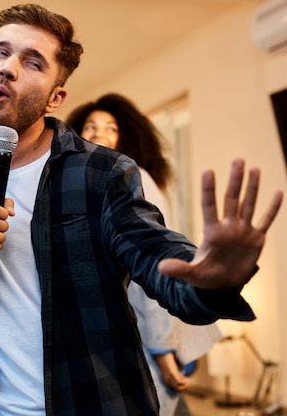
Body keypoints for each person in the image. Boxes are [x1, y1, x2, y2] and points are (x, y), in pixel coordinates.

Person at [0, 3, 284, 416]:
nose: (8, 68)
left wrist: (212, 279)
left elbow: (157, 257)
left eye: (33, 62)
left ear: (55, 98)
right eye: (0, 52)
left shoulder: (101, 172)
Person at [66, 93, 223, 416]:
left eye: (110, 128)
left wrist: (162, 347)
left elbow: (154, 264)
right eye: (90, 127)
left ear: (125, 137)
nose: (99, 134)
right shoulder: (84, 186)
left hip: (154, 332)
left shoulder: (129, 176)